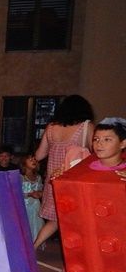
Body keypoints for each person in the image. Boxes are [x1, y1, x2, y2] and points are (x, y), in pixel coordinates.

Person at [47, 118, 126, 272]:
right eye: (96, 139)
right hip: (87, 239)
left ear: (123, 143)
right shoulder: (84, 167)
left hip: (118, 245)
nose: (99, 144)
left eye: (107, 139)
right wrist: (62, 179)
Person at [33, 95, 94, 249]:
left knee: (55, 220)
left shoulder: (51, 127)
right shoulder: (86, 126)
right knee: (77, 219)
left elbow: (39, 155)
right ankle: (75, 254)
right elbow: (96, 153)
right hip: (75, 182)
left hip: (54, 181)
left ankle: (33, 247)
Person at [20, 151, 44, 242]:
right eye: (30, 159)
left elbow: (41, 189)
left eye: (34, 159)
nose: (33, 161)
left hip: (36, 207)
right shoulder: (20, 177)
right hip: (25, 207)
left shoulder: (38, 177)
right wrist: (29, 194)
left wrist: (40, 193)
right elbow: (17, 193)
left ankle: (35, 243)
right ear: (24, 162)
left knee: (35, 227)